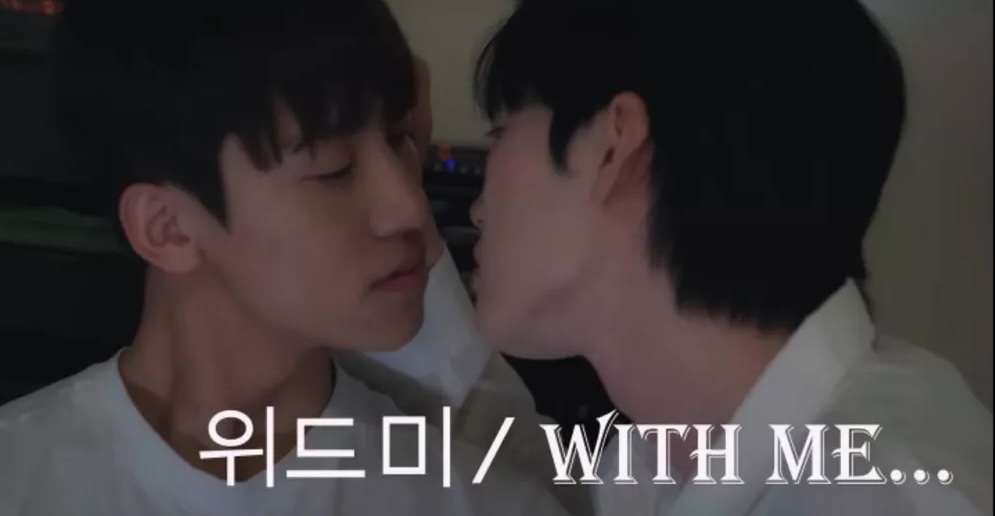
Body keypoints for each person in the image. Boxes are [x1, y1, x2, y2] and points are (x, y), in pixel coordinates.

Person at [0, 1, 573, 515]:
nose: (409, 206)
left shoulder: (486, 498)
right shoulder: (22, 477)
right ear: (167, 228)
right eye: (334, 170)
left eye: (402, 139)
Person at [467, 0, 993, 514]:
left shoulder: (879, 497)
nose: (476, 209)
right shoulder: (658, 463)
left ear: (611, 148)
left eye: (501, 133)